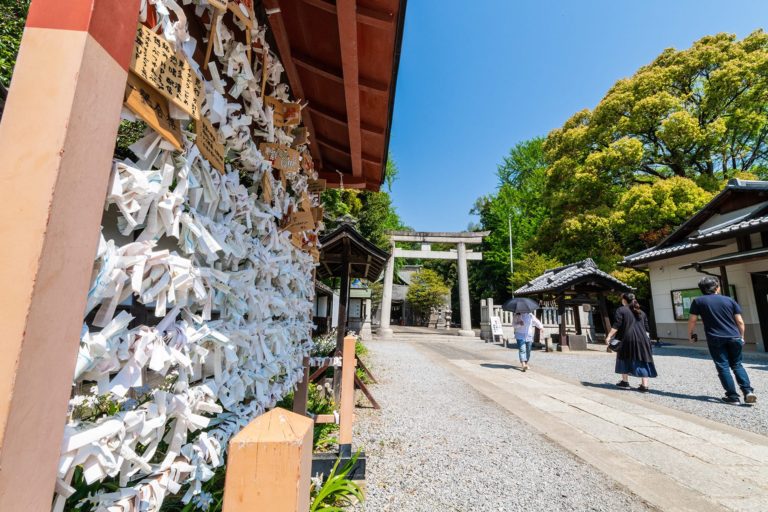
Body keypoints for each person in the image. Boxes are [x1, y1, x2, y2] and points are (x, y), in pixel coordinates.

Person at [688, 276, 757, 405]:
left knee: (723, 366)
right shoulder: (729, 300)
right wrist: (741, 336)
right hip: (734, 337)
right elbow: (740, 321)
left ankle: (733, 397)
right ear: (716, 287)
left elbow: (692, 320)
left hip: (715, 338)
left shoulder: (698, 301)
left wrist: (691, 334)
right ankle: (748, 391)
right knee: (737, 364)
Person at [605, 293, 657, 392]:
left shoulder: (621, 310)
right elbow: (647, 329)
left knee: (623, 357)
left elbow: (617, 325)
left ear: (624, 300)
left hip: (627, 339)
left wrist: (609, 336)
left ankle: (625, 382)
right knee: (643, 359)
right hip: (643, 339)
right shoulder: (641, 312)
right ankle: (644, 385)